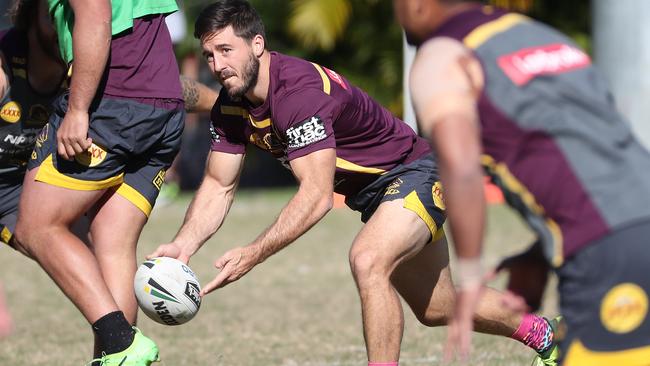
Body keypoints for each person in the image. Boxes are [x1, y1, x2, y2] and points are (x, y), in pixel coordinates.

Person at [149, 1, 558, 365]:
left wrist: (253, 253)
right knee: (437, 306)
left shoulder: (298, 94)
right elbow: (219, 185)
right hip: (377, 196)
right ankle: (548, 336)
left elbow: (315, 196)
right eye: (209, 54)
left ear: (257, 44)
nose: (218, 65)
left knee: (368, 260)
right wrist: (183, 247)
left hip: (416, 172)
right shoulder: (231, 107)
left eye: (226, 50)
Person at [394, 0, 650, 365]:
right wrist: (539, 254)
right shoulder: (544, 38)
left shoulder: (444, 53)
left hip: (609, 254)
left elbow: (460, 165)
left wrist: (468, 281)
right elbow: (606, 156)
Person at [10, 0, 185, 363]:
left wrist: (77, 110)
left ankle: (121, 342)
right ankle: (117, 359)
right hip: (164, 103)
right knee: (112, 243)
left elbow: (95, 12)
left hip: (114, 99)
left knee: (37, 226)